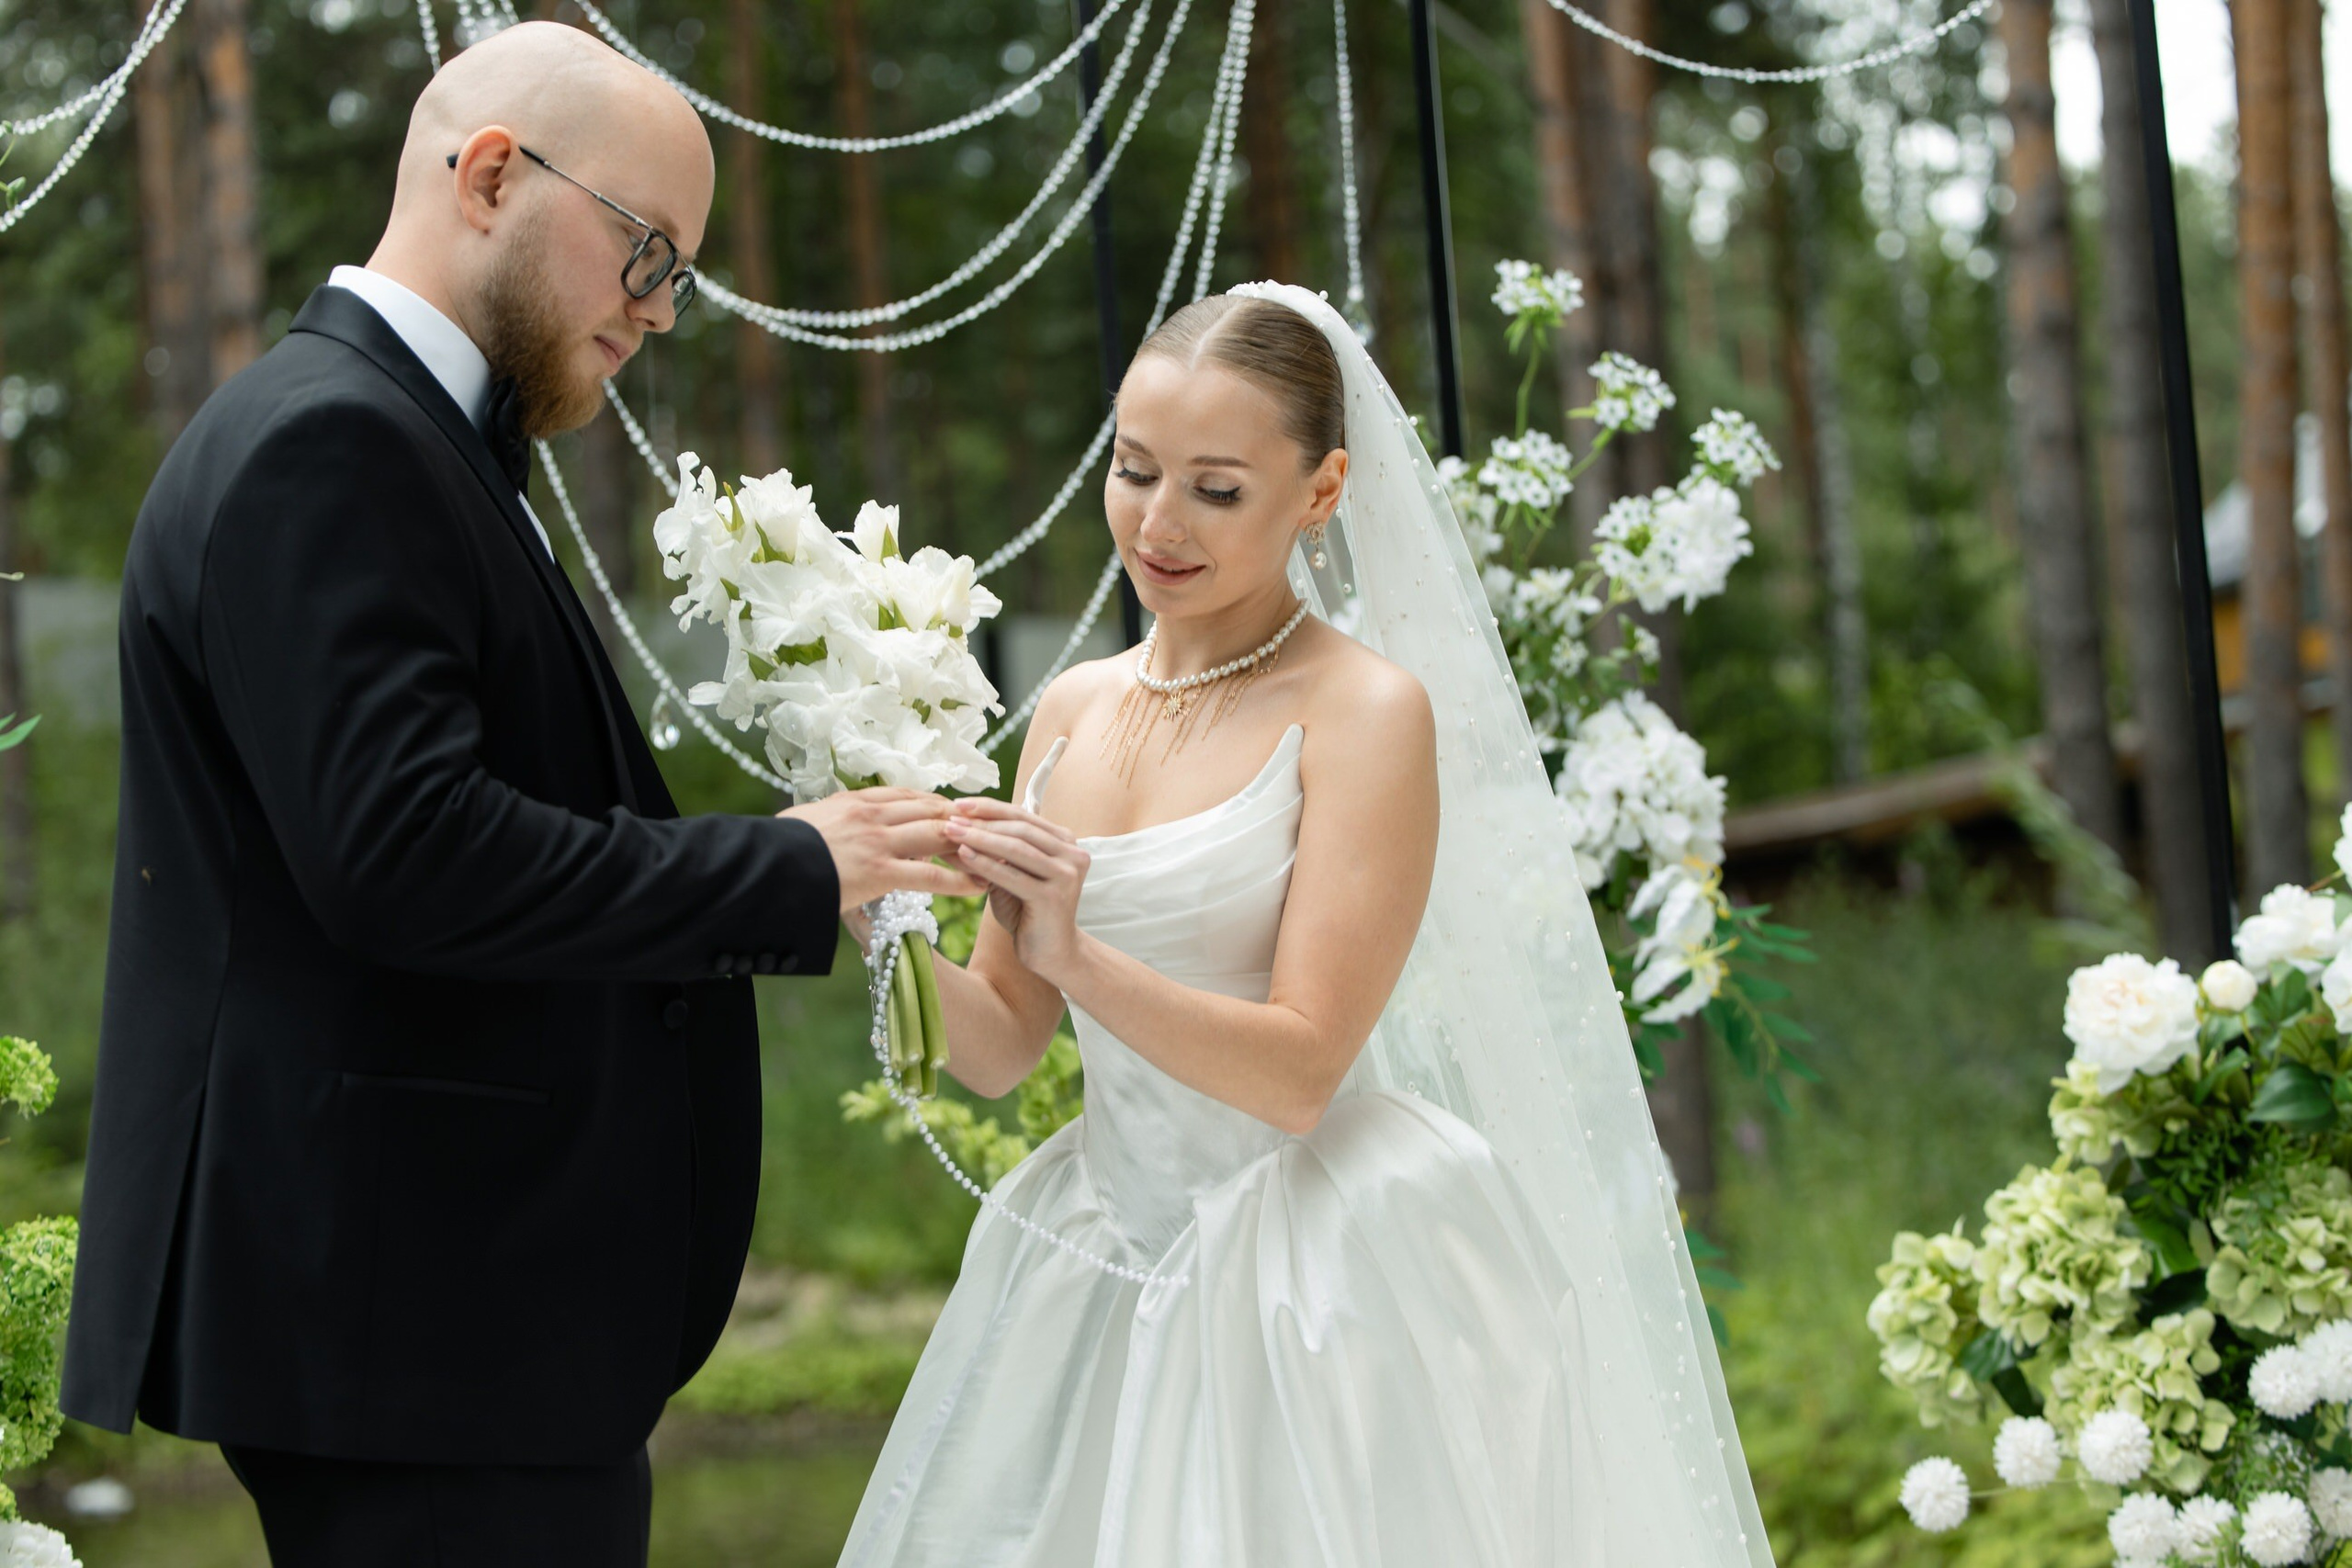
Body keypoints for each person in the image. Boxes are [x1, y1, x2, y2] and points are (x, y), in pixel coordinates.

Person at [59, 24, 976, 1568]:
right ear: (488, 173)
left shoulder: (393, 436)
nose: (662, 312)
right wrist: (783, 869)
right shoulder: (334, 444)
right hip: (417, 1319)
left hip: (443, 1320)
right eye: (647, 252)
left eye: (677, 274)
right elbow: (407, 853)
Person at [832, 285, 1778, 1566]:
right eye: (1135, 470)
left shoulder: (1364, 711)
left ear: (1322, 492)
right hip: (1104, 1253)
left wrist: (1075, 950)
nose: (1158, 524)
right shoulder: (1067, 709)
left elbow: (1300, 1069)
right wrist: (875, 910)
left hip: (1320, 1278)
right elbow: (1001, 1046)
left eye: (1216, 490)